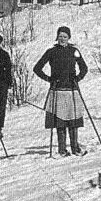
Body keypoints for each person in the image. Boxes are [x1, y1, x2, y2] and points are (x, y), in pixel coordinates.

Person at [33, 26, 90, 156]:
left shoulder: (74, 51)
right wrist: (49, 79)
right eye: (60, 36)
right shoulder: (51, 52)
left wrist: (77, 78)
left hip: (71, 89)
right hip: (57, 90)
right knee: (60, 121)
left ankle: (75, 148)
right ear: (57, 37)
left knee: (73, 119)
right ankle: (62, 149)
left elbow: (84, 68)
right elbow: (37, 68)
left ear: (69, 38)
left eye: (65, 36)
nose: (62, 39)